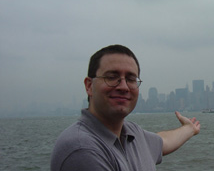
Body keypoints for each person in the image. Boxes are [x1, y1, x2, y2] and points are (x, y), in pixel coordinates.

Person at [50, 45, 200, 171]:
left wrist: (189, 129)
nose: (123, 86)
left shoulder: (132, 134)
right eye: (111, 77)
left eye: (131, 79)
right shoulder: (81, 149)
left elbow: (163, 142)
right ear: (89, 86)